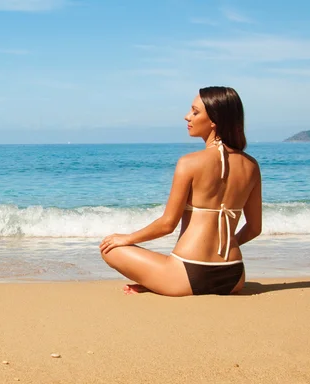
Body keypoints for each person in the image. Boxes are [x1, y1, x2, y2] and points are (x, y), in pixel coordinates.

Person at [100, 86, 262, 296]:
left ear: (214, 120)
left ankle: (161, 280)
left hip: (186, 274)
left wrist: (127, 238)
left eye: (195, 112)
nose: (187, 117)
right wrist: (221, 248)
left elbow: (167, 224)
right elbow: (254, 228)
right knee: (163, 267)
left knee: (110, 248)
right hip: (233, 276)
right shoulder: (251, 165)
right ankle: (160, 279)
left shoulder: (189, 163)